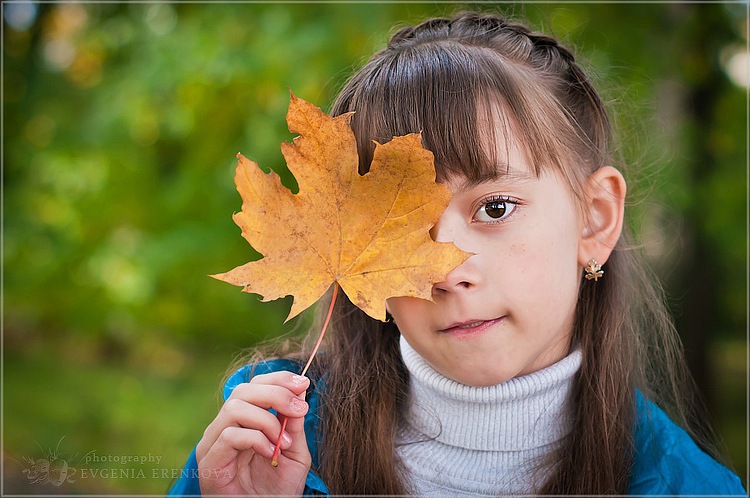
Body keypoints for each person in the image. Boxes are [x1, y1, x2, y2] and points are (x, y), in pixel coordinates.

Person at [167, 11, 745, 496]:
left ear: (595, 218)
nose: (447, 270)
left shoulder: (688, 487)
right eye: (403, 226)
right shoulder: (261, 449)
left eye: (495, 208)